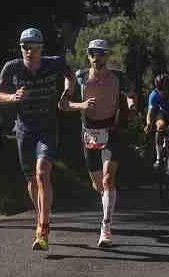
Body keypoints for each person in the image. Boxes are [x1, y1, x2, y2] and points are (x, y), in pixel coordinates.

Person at [0, 28, 75, 251]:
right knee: (31, 181)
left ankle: (43, 227)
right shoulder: (12, 67)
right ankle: (40, 215)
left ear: (41, 48)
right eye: (24, 47)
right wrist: (11, 97)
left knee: (42, 172)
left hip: (47, 129)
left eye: (33, 47)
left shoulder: (54, 63)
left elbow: (70, 75)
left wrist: (67, 93)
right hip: (24, 130)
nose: (29, 51)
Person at [60, 39, 136, 248]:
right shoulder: (80, 77)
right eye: (93, 54)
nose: (97, 58)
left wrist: (131, 105)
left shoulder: (118, 77)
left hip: (112, 130)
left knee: (108, 179)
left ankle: (106, 226)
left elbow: (130, 93)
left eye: (101, 54)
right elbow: (64, 105)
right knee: (97, 183)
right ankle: (106, 202)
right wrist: (81, 105)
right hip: (90, 133)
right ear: (88, 56)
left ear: (107, 56)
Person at [144, 73, 169, 179]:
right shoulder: (154, 95)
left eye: (164, 89)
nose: (162, 92)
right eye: (159, 89)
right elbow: (150, 112)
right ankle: (158, 157)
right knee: (159, 128)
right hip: (163, 114)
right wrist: (148, 123)